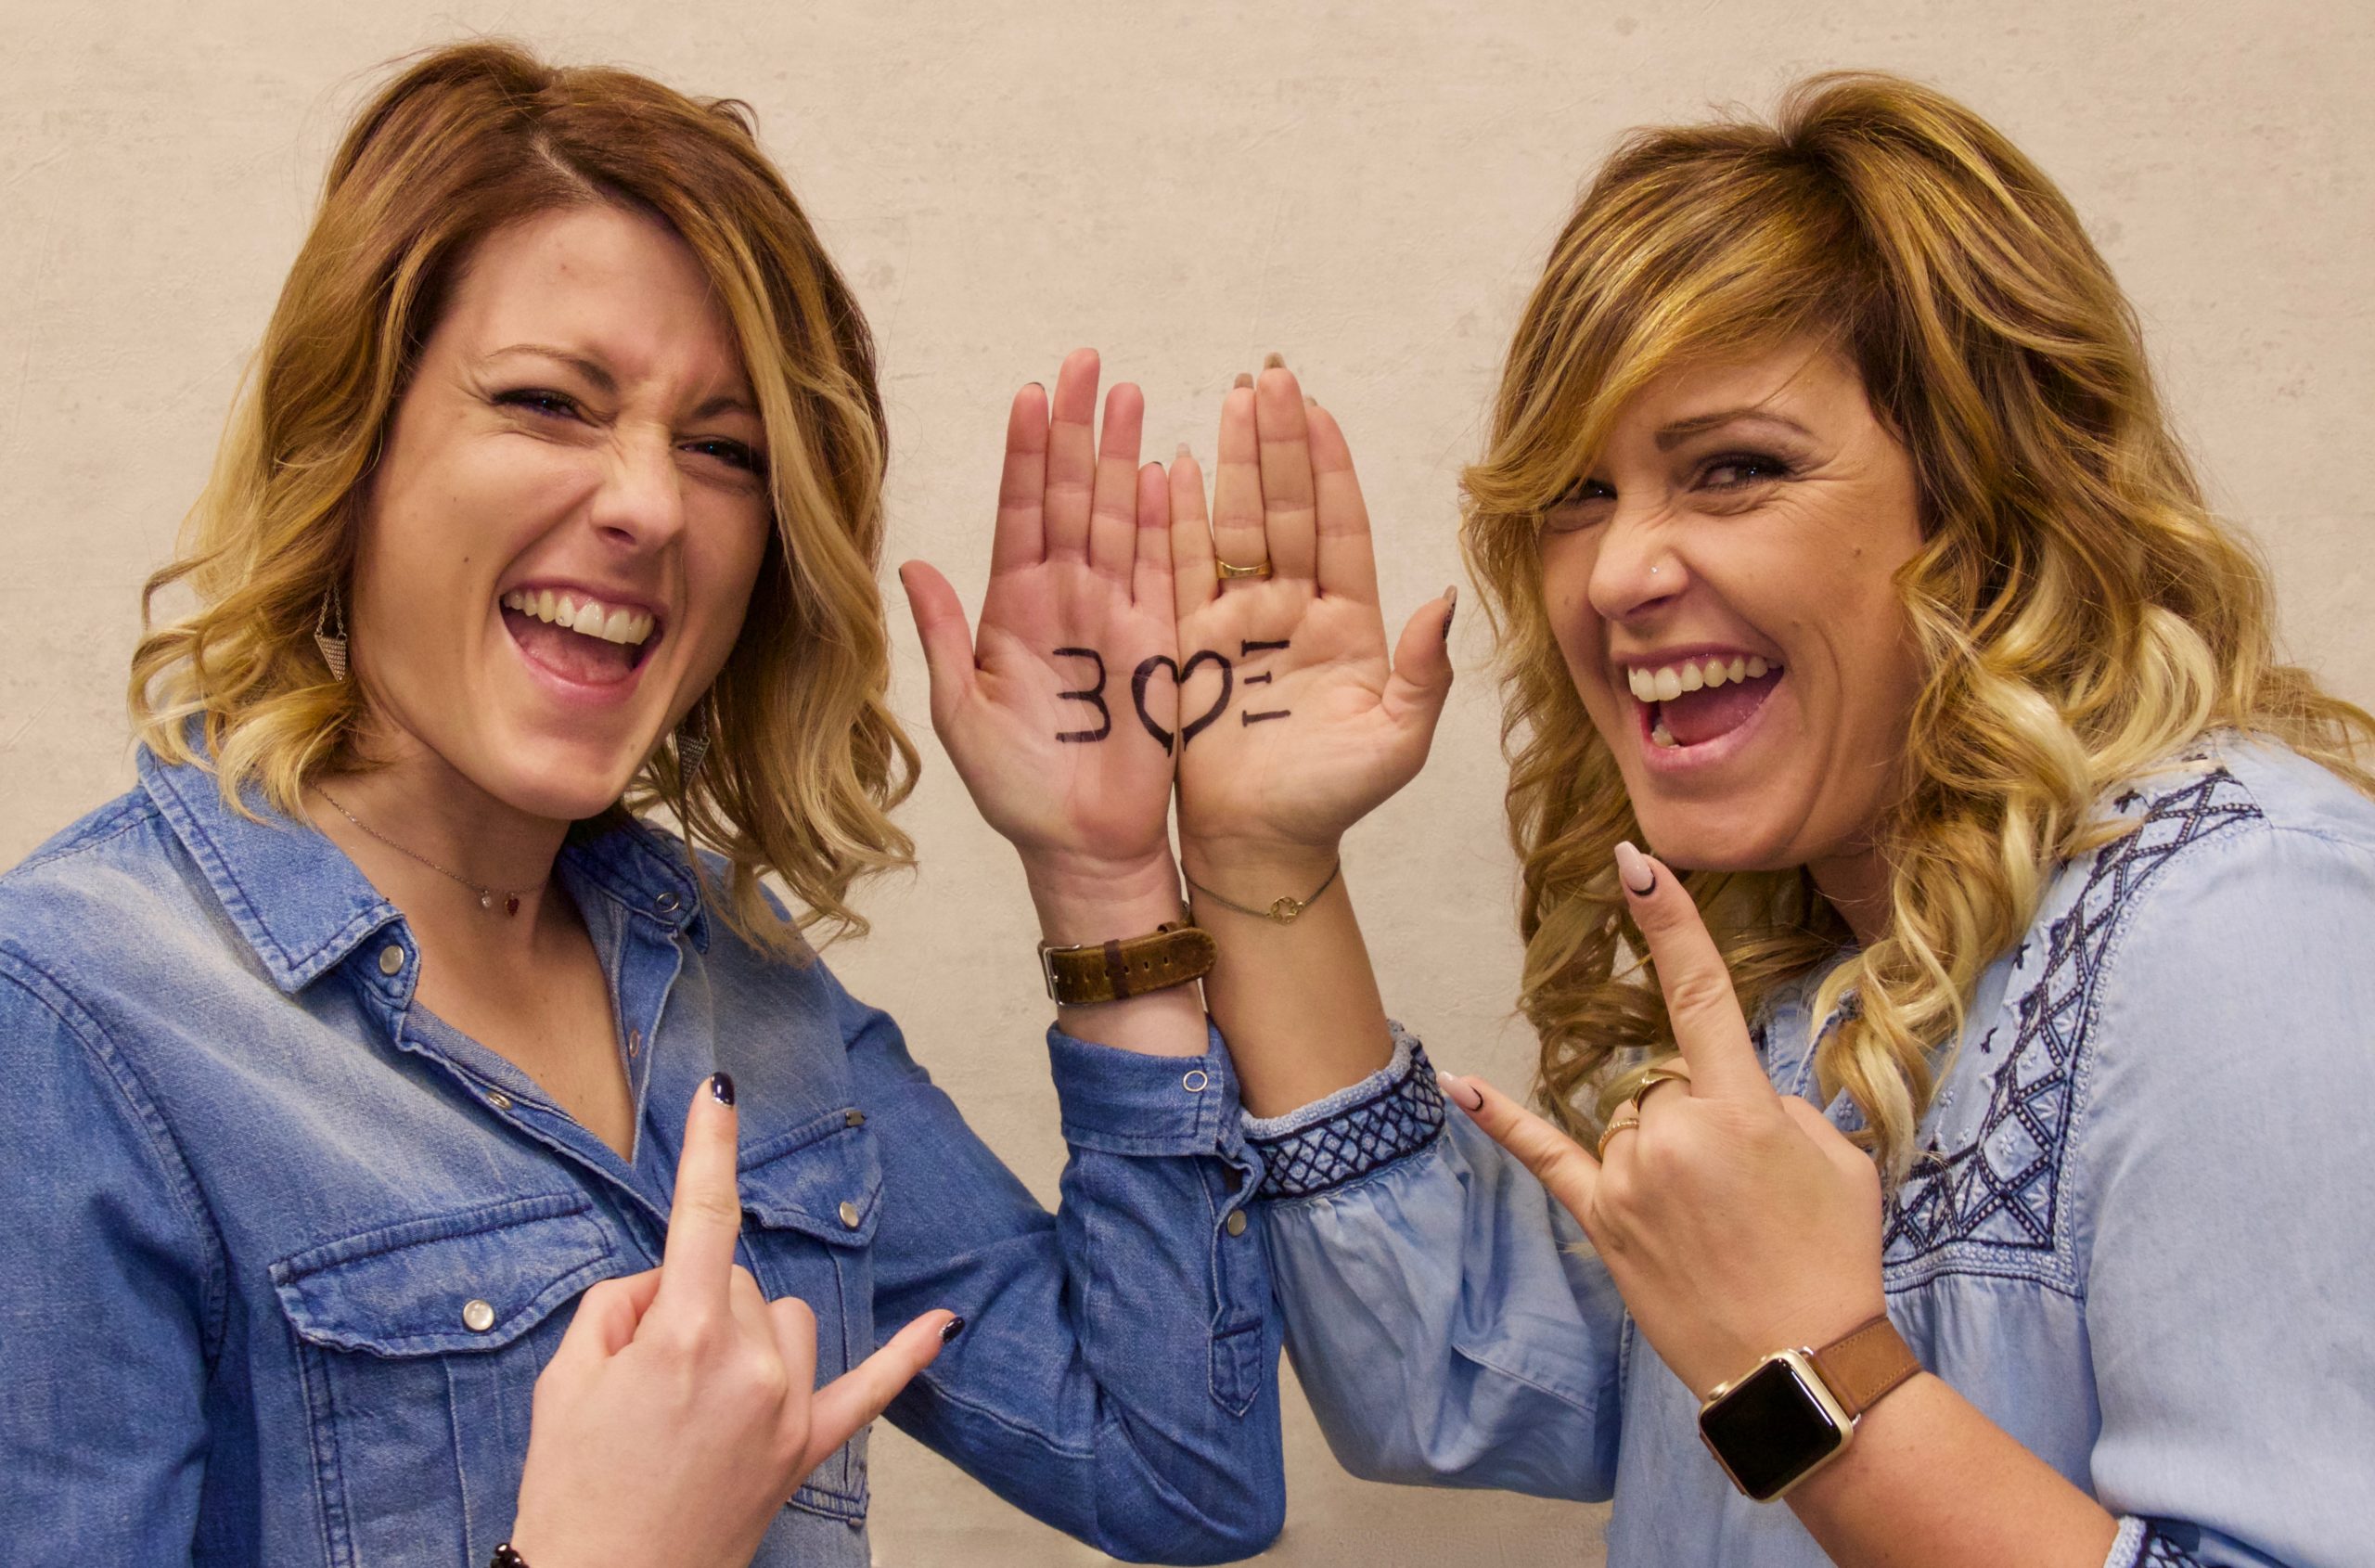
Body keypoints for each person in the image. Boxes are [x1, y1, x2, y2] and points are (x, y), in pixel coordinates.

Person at [0, 42, 1284, 1567]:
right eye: (550, 402)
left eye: (723, 448)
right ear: (347, 444)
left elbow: (1177, 1474)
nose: (651, 503)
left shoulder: (737, 972)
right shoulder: (74, 1016)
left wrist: (1107, 878)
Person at [1146, 73, 2375, 1566]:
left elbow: (1762, 1375)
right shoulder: (1820, 977)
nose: (1615, 575)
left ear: (1988, 502)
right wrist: (1262, 856)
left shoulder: (2239, 924)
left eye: (1734, 469)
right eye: (1579, 494)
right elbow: (1457, 1374)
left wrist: (1809, 1372)